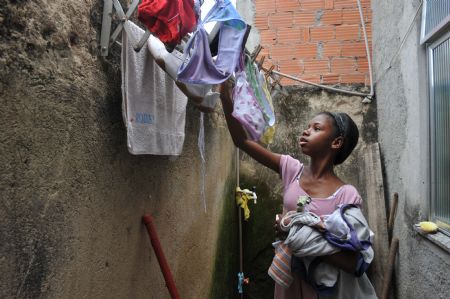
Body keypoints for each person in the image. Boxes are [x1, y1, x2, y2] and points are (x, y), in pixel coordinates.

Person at [219, 79, 374, 298]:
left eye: (316, 128)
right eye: (307, 126)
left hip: (320, 289)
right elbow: (242, 142)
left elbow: (353, 262)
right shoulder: (292, 169)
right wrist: (225, 96)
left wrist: (295, 236)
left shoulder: (346, 195)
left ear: (336, 143)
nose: (306, 131)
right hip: (287, 282)